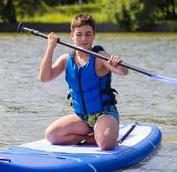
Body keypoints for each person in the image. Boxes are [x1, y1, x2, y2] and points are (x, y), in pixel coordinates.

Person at [38, 13, 129, 150]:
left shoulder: (100, 57)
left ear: (93, 35)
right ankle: (90, 138)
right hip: (82, 117)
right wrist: (50, 48)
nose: (84, 39)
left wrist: (118, 64)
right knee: (52, 135)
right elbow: (44, 78)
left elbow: (123, 72)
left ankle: (103, 135)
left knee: (105, 144)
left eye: (88, 34)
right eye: (79, 34)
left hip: (104, 114)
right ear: (72, 36)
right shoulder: (65, 60)